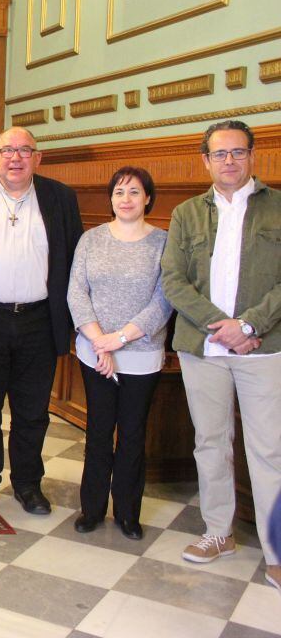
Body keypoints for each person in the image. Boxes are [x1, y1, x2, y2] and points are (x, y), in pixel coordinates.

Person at [160, 120, 280, 591]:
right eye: (219, 154)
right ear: (205, 160)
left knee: (268, 450)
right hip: (204, 349)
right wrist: (223, 327)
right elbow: (173, 280)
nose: (229, 161)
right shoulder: (187, 213)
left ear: (253, 156)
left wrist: (249, 326)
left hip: (263, 349)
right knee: (210, 443)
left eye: (238, 152)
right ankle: (217, 533)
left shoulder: (276, 209)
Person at [0, 126, 83, 514]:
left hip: (39, 321)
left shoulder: (60, 199)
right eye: (6, 150)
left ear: (38, 158)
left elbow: (74, 262)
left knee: (32, 411)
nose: (15, 158)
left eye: (25, 150)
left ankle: (28, 484)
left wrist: (72, 321)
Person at [66, 166, 171, 540]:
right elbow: (76, 293)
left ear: (147, 198)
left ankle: (127, 512)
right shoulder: (91, 240)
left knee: (131, 435)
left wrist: (118, 340)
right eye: (119, 193)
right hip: (94, 352)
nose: (125, 199)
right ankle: (92, 509)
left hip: (140, 355)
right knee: (97, 432)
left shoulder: (162, 242)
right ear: (110, 199)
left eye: (134, 192)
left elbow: (163, 301)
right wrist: (99, 341)